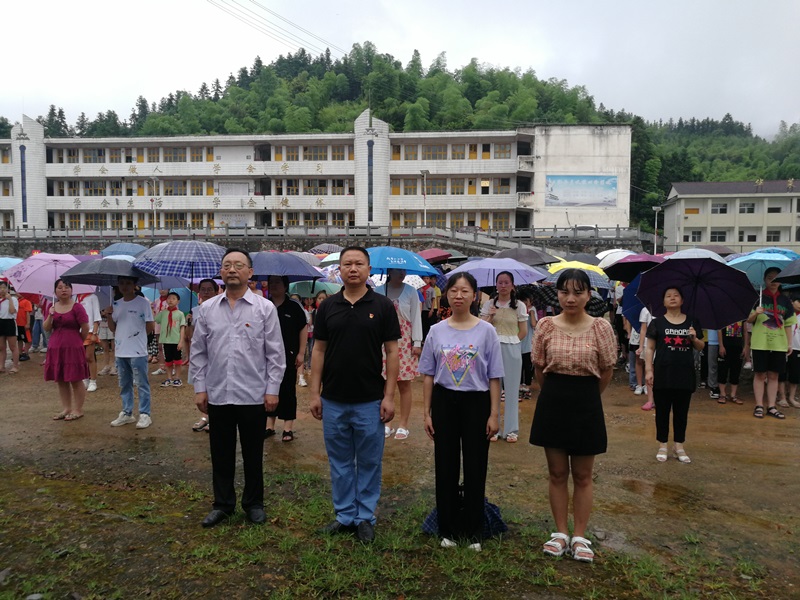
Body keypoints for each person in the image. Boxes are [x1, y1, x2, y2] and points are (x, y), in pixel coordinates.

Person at [310, 246, 400, 543]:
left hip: (370, 400)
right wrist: (314, 394)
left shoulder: (383, 306)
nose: (352, 269)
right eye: (347, 264)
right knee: (340, 462)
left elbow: (392, 352)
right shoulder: (328, 307)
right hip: (333, 398)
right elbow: (318, 351)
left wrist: (389, 396)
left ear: (368, 269)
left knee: (370, 461)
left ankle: (365, 517)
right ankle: (345, 515)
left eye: (358, 264)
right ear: (339, 269)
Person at [190, 249, 285, 528]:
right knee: (220, 452)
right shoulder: (207, 309)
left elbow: (275, 353)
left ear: (250, 272)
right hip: (218, 392)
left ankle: (254, 503)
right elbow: (199, 352)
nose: (232, 270)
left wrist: (272, 389)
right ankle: (223, 504)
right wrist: (200, 387)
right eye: (227, 265)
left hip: (253, 393)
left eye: (238, 265)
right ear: (221, 272)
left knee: (253, 453)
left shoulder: (264, 308)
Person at [529, 269, 616, 563]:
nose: (570, 298)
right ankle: (560, 533)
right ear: (558, 294)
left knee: (583, 475)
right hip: (552, 402)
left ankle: (579, 537)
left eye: (578, 292)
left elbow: (606, 370)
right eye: (565, 292)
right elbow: (539, 368)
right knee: (556, 473)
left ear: (588, 295)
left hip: (587, 403)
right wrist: (555, 393)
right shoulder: (545, 326)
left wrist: (587, 396)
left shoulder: (601, 328)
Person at [420, 272, 503, 551]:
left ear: (474, 295)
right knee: (445, 464)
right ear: (447, 294)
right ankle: (448, 528)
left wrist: (494, 414)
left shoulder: (486, 331)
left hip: (477, 403)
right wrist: (427, 412)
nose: (458, 295)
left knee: (475, 465)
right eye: (454, 290)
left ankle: (474, 529)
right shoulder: (436, 330)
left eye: (465, 291)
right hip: (444, 401)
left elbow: (494, 376)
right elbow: (428, 374)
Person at [645, 287, 705, 463]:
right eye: (668, 296)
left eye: (676, 295)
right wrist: (649, 370)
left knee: (681, 412)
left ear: (682, 300)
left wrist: (694, 338)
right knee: (662, 411)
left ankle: (679, 445)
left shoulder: (692, 322)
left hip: (684, 373)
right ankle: (662, 444)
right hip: (663, 373)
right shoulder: (657, 323)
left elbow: (701, 347)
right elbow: (650, 348)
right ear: (663, 302)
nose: (672, 298)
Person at [480, 271, 527, 442]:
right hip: (491, 349)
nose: (503, 286)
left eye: (507, 282)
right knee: (493, 389)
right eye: (500, 282)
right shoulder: (489, 304)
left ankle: (511, 430)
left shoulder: (519, 306)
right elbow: (481, 328)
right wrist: (490, 316)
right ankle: (493, 428)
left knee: (512, 390)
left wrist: (513, 343)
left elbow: (523, 331)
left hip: (512, 348)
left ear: (512, 285)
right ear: (496, 284)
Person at [376, 268, 422, 440]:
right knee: (384, 383)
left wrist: (416, 342)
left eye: (403, 270)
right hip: (383, 341)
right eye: (397, 270)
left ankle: (403, 424)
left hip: (404, 341)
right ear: (389, 271)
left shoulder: (411, 291)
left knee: (404, 385)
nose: (401, 273)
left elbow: (416, 317)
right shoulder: (378, 291)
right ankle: (386, 422)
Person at [747, 267, 795, 420]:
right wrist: (756, 313)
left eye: (776, 278)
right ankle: (759, 405)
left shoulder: (785, 301)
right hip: (760, 343)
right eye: (769, 278)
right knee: (760, 374)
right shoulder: (757, 298)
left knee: (774, 375)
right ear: (764, 280)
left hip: (779, 344)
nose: (773, 281)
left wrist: (789, 343)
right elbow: (748, 320)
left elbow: (788, 324)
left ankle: (772, 406)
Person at [108, 276, 155, 429]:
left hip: (138, 350)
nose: (125, 286)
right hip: (121, 350)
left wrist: (138, 338)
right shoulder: (116, 304)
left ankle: (145, 414)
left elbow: (150, 325)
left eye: (128, 283)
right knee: (124, 383)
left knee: (141, 383)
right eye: (121, 283)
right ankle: (127, 412)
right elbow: (113, 328)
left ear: (135, 285)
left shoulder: (143, 303)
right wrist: (108, 315)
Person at [265, 275, 307, 442]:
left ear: (285, 286)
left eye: (277, 282)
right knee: (268, 389)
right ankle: (269, 425)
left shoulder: (294, 307)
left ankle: (287, 428)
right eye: (271, 282)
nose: (273, 285)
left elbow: (303, 328)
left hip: (288, 355)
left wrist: (301, 352)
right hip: (266, 356)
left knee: (288, 390)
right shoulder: (264, 305)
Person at [44, 279, 90, 421]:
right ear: (55, 291)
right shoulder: (52, 307)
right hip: (55, 347)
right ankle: (66, 408)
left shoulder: (77, 307)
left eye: (66, 287)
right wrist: (50, 315)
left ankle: (78, 409)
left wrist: (78, 341)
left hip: (73, 346)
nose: (63, 290)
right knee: (61, 379)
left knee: (75, 378)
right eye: (60, 287)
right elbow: (46, 328)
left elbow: (85, 327)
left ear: (71, 290)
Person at [188, 278, 219, 432]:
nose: (206, 292)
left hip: (214, 353)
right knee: (201, 386)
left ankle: (214, 417)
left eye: (209, 289)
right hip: (200, 352)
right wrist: (189, 323)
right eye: (203, 289)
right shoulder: (194, 310)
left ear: (216, 291)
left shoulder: (220, 309)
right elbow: (191, 336)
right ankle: (204, 416)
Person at [153, 291, 187, 388]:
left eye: (173, 299)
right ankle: (169, 378)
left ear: (178, 301)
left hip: (176, 340)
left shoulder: (180, 314)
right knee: (168, 361)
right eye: (169, 298)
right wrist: (154, 309)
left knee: (177, 360)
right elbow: (156, 319)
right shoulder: (163, 313)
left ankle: (177, 378)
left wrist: (181, 341)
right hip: (166, 340)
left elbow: (182, 327)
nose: (171, 300)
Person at [717, 321, 746, 405]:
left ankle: (733, 394)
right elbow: (719, 330)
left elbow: (745, 331)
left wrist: (745, 346)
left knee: (736, 370)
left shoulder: (742, 317)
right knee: (722, 369)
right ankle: (722, 394)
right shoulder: (723, 315)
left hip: (738, 346)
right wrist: (721, 345)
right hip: (725, 346)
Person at [79, 292, 101, 392]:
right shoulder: (74, 297)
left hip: (90, 330)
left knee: (89, 356)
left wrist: (95, 332)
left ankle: (93, 381)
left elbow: (96, 316)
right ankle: (85, 378)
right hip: (77, 331)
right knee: (81, 357)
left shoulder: (93, 297)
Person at [517, 288, 537, 400]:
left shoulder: (532, 310)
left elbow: (534, 324)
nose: (524, 304)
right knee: (519, 366)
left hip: (528, 344)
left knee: (528, 366)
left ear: (530, 302)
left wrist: (531, 312)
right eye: (522, 302)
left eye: (526, 302)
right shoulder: (517, 310)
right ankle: (520, 386)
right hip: (518, 343)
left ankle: (527, 386)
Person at [0, 281, 20, 373]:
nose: (2, 290)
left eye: (4, 287)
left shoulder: (14, 299)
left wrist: (10, 299)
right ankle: (1, 366)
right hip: (1, 322)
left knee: (13, 346)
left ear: (8, 289)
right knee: (1, 347)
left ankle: (15, 366)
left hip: (10, 322)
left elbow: (12, 311)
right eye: (0, 288)